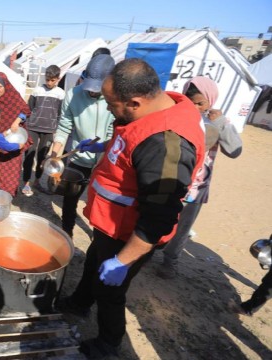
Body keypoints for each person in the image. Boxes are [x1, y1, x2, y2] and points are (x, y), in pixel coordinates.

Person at [57, 58, 205, 359]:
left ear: (135, 102)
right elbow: (130, 144)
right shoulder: (149, 111)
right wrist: (105, 146)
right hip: (111, 224)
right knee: (93, 262)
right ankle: (79, 304)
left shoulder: (166, 144)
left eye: (112, 105)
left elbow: (159, 218)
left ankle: (108, 344)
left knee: (110, 290)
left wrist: (123, 261)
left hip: (130, 233)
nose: (109, 110)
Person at [157, 76, 243, 279]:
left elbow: (234, 151)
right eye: (191, 100)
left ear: (210, 101)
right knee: (160, 217)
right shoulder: (175, 114)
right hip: (171, 179)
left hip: (196, 187)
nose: (195, 106)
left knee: (183, 227)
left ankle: (170, 262)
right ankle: (147, 251)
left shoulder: (217, 122)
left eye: (200, 103)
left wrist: (221, 124)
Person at [48, 54, 116, 238]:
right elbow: (63, 127)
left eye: (98, 89)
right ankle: (67, 233)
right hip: (79, 158)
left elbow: (115, 134)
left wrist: (101, 149)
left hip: (107, 161)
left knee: (101, 203)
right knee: (70, 200)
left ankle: (99, 236)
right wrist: (54, 154)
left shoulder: (115, 99)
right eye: (89, 87)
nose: (92, 93)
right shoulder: (73, 95)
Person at [0, 72, 31, 197]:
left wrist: (17, 120)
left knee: (10, 176)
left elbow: (25, 110)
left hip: (12, 140)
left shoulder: (14, 97)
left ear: (6, 86)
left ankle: (6, 199)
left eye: (0, 87)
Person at [21, 65, 65, 197]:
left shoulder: (61, 93)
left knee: (43, 157)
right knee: (29, 154)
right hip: (33, 127)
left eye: (52, 80)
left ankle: (37, 181)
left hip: (49, 129)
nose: (49, 82)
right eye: (47, 79)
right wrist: (27, 123)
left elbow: (60, 113)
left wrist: (57, 129)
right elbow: (30, 108)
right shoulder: (37, 90)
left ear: (58, 79)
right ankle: (26, 183)